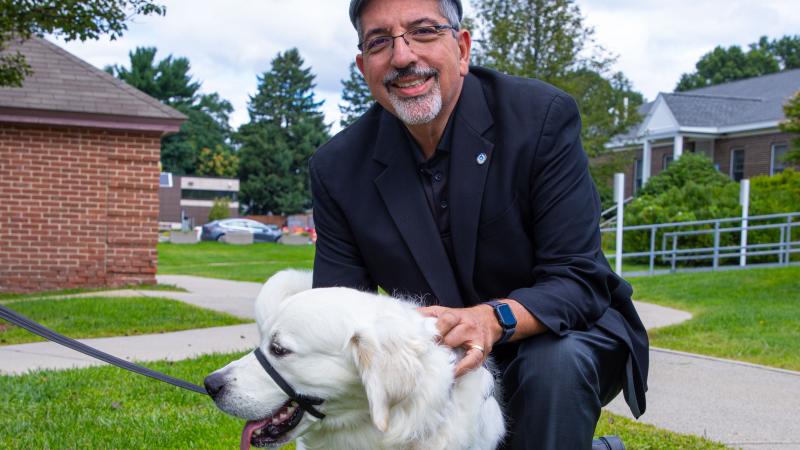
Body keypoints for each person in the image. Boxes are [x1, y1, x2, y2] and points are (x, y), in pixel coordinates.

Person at [309, 0, 649, 448]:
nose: (403, 56)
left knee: (552, 366)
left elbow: (579, 279)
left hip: (560, 333)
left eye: (424, 31)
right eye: (379, 42)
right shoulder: (336, 168)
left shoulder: (541, 117)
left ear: (463, 48)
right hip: (441, 353)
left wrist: (492, 319)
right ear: (362, 66)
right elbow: (338, 312)